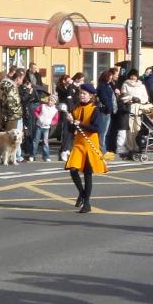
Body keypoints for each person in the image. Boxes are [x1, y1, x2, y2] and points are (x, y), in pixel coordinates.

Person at [65, 84, 107, 213]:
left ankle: (87, 203)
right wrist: (70, 121)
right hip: (78, 144)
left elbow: (96, 128)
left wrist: (81, 123)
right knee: (73, 170)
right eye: (80, 93)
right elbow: (71, 130)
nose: (81, 95)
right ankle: (82, 193)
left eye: (84, 93)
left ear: (91, 96)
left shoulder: (94, 109)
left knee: (88, 174)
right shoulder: (75, 109)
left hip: (90, 144)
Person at [32, 94, 59, 162]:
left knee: (45, 142)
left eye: (52, 101)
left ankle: (46, 156)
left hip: (46, 127)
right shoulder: (43, 106)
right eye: (49, 100)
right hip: (39, 125)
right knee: (36, 140)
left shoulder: (55, 110)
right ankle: (32, 155)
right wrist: (39, 117)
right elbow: (36, 111)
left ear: (55, 102)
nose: (50, 102)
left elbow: (55, 120)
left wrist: (50, 123)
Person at [56, 74, 77, 162]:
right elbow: (67, 95)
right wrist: (70, 85)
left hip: (72, 110)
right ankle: (63, 151)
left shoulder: (71, 88)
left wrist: (74, 86)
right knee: (66, 131)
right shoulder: (60, 88)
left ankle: (67, 149)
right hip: (64, 111)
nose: (69, 82)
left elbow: (74, 96)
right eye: (67, 80)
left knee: (72, 130)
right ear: (63, 81)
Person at [96, 70, 115, 157]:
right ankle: (102, 150)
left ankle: (104, 149)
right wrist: (109, 108)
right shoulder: (103, 86)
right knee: (102, 132)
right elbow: (105, 98)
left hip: (106, 111)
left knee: (105, 132)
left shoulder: (107, 85)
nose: (111, 78)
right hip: (104, 111)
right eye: (110, 76)